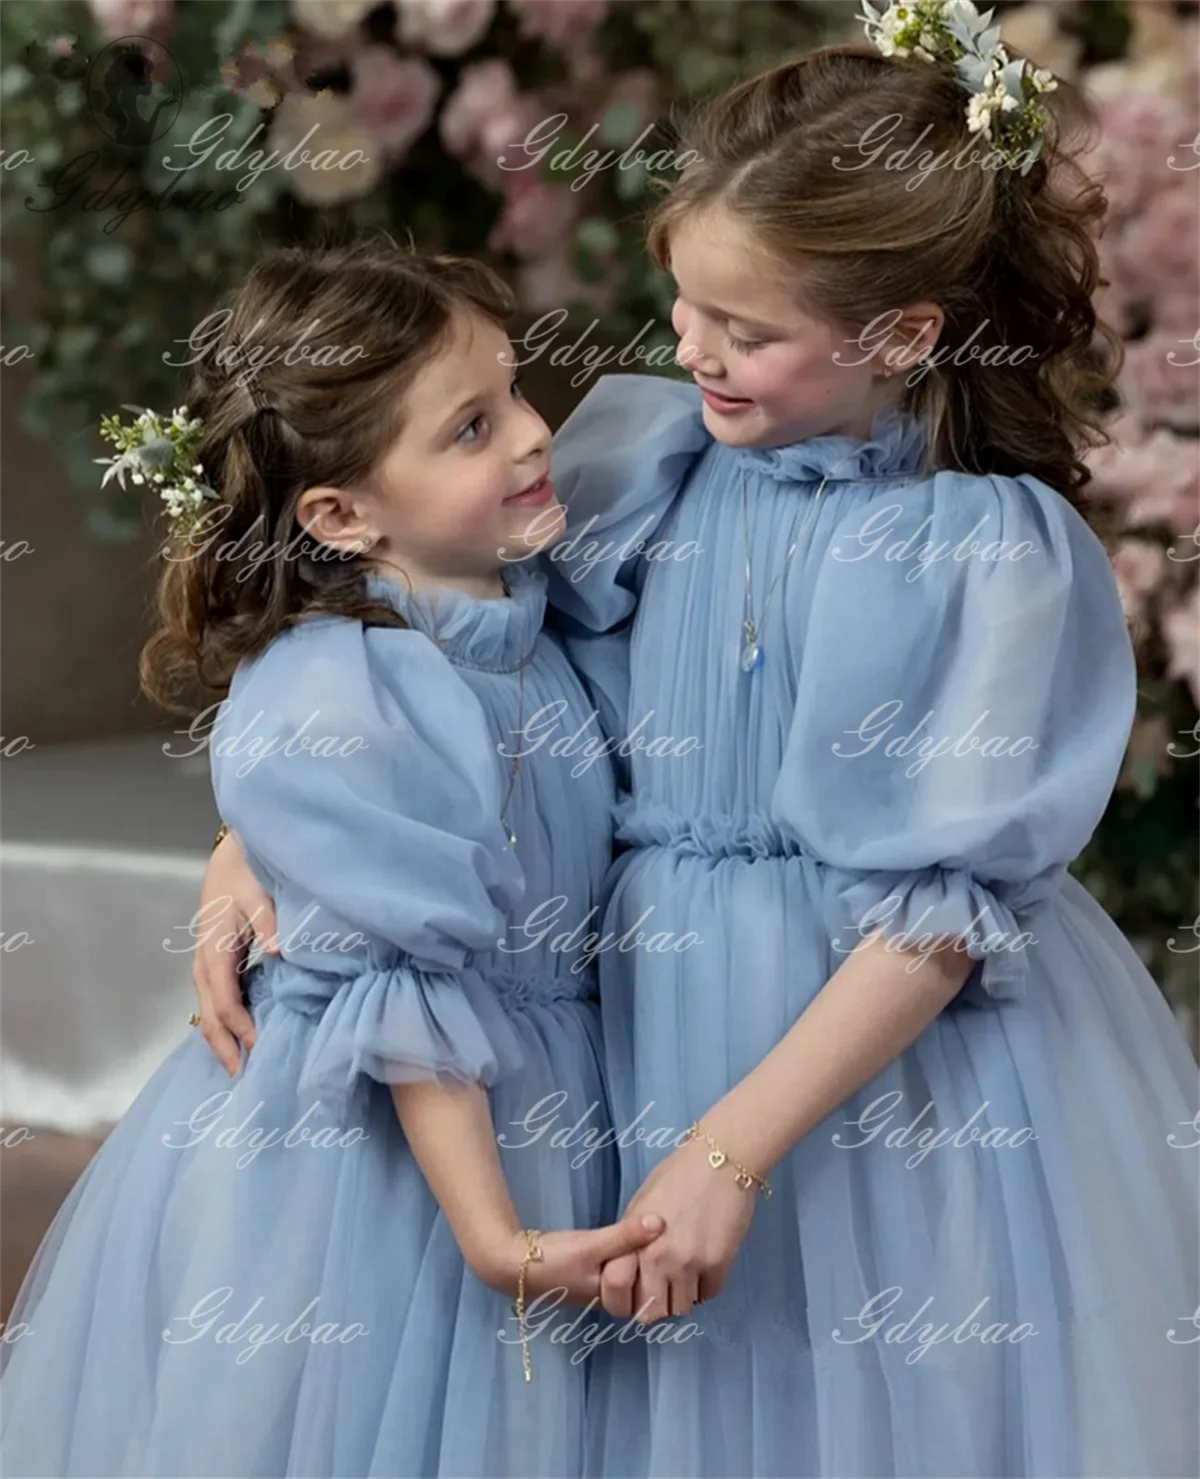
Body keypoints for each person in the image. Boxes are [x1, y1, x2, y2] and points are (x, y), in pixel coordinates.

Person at [194, 14, 1200, 1478]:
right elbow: (446, 668)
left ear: (905, 334)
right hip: (645, 1015)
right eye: (685, 305)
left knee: (872, 1388)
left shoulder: (983, 554)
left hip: (874, 1059)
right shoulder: (654, 464)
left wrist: (730, 1148)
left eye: (749, 329)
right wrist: (251, 839)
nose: (694, 350)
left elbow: (935, 917)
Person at [0, 241, 664, 1479]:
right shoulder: (351, 683)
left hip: (540, 1084)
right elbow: (408, 1002)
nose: (530, 437)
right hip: (405, 1156)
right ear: (342, 515)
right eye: (469, 429)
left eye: (517, 391)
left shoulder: (532, 614)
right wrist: (495, 1238)